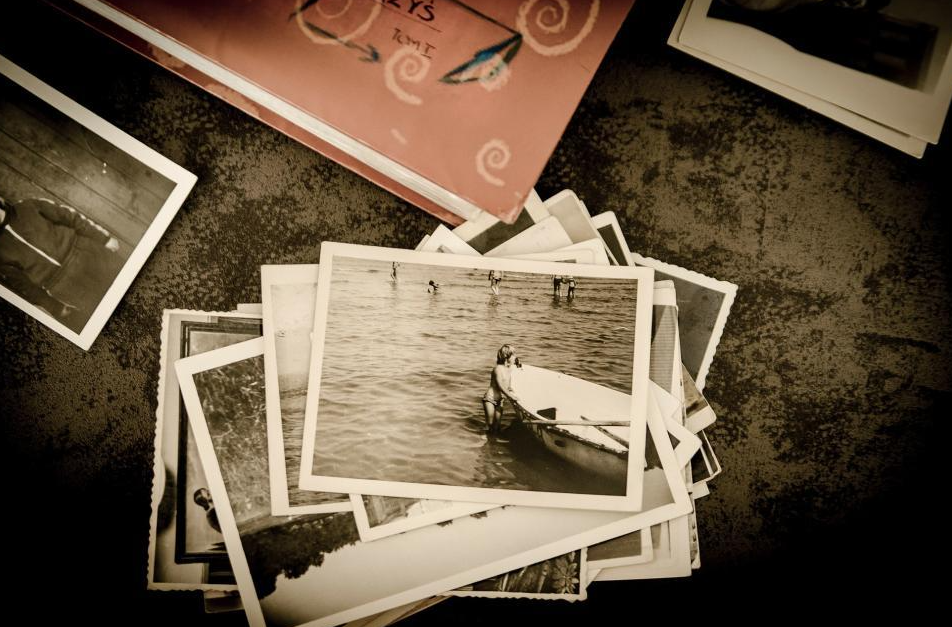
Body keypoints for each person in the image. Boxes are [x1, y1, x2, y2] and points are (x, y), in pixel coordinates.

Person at [0, 196, 123, 332]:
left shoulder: (27, 206)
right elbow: (24, 284)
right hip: (62, 285)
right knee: (110, 314)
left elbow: (70, 217)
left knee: (127, 281)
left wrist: (104, 239)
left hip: (85, 252)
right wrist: (53, 306)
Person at [481, 344, 519, 435]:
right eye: (513, 355)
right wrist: (511, 397)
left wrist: (512, 392)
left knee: (497, 427)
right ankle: (485, 440)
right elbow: (501, 386)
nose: (515, 357)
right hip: (490, 399)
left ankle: (493, 443)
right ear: (506, 357)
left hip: (499, 401)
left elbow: (507, 386)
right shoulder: (497, 369)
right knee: (489, 424)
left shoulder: (508, 370)